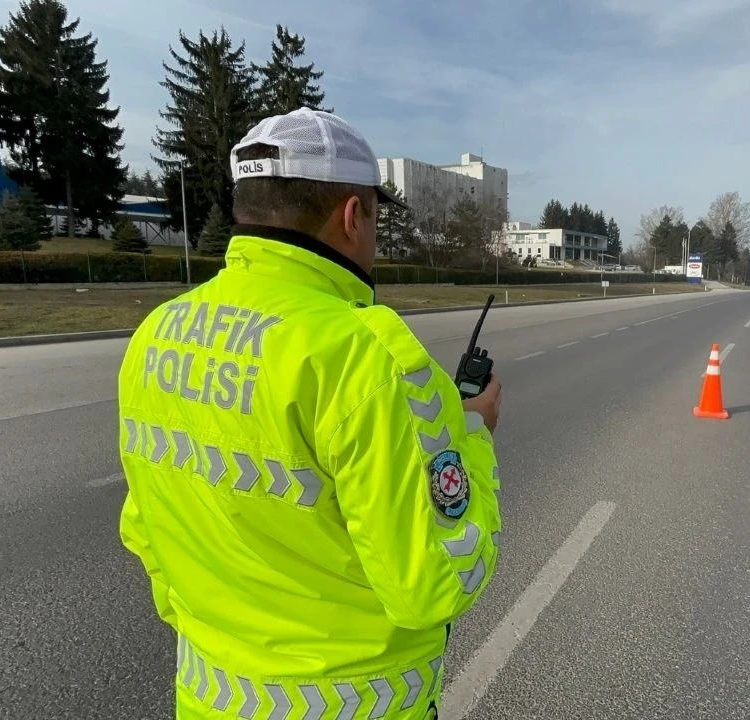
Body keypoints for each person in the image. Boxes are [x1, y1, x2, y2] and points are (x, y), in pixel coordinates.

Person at [117, 107, 503, 720]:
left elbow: (145, 529)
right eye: (376, 219)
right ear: (353, 216)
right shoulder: (367, 356)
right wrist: (475, 433)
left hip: (208, 699)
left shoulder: (157, 334)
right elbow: (435, 582)